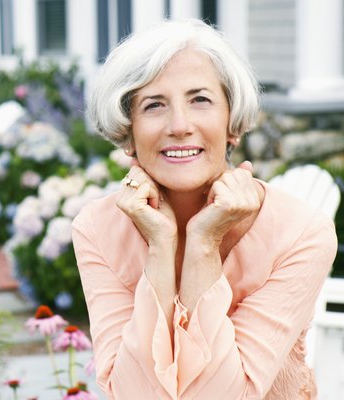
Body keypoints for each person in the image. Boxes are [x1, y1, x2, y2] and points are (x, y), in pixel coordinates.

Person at [72, 19, 337, 399]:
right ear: (128, 133)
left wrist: (203, 243)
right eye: (154, 105)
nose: (179, 125)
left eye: (200, 99)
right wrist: (161, 246)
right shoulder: (97, 229)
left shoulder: (300, 233)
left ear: (232, 123)